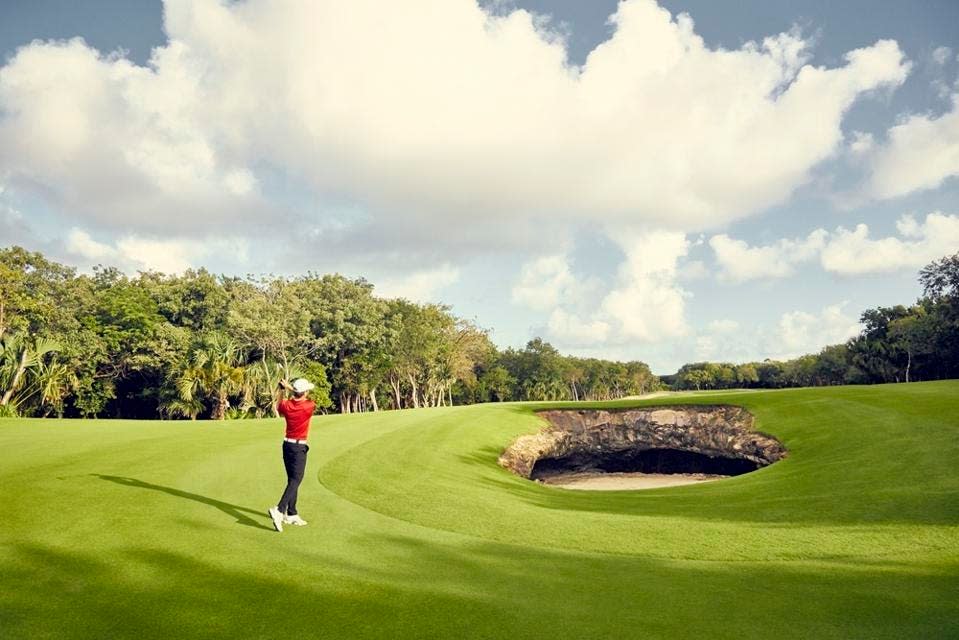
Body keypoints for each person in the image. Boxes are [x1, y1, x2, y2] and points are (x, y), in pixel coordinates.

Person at [268, 377, 316, 532]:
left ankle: (292, 513)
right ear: (305, 392)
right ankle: (279, 509)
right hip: (298, 448)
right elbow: (303, 397)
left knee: (291, 480)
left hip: (287, 445)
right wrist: (289, 387)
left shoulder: (287, 405)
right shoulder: (309, 406)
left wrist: (283, 389)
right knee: (296, 480)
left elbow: (278, 405)